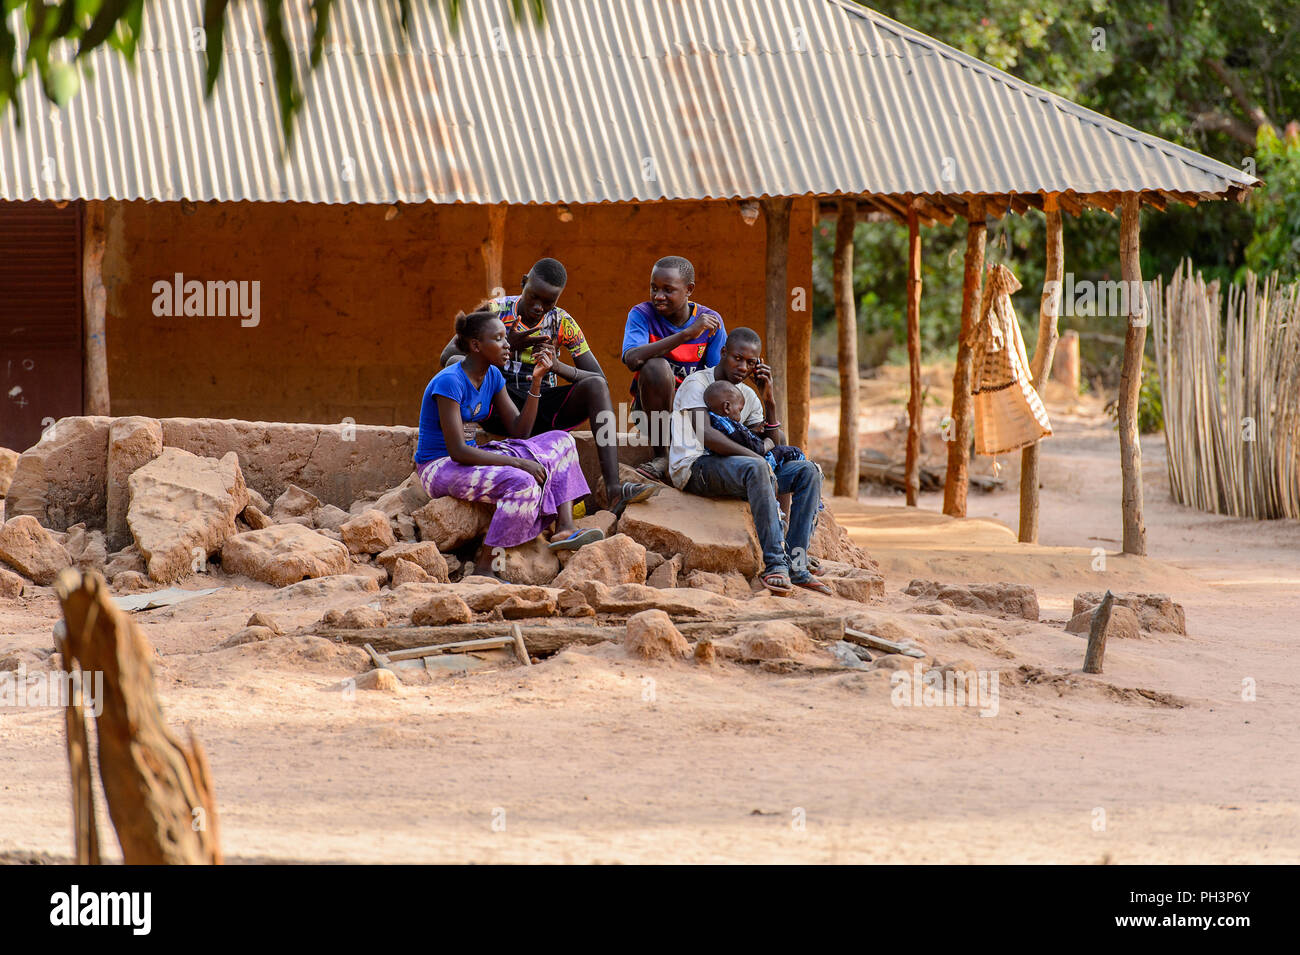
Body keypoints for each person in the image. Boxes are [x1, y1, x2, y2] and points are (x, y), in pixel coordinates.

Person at [440, 257, 658, 516]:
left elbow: (598, 378)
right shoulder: (494, 311)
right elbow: (448, 357)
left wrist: (557, 366)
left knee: (596, 387)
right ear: (524, 282)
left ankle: (613, 489)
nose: (538, 307)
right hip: (497, 404)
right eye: (534, 296)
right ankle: (460, 453)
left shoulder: (562, 322)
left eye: (548, 302)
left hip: (539, 407)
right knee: (456, 365)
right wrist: (506, 344)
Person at [416, 309, 603, 574]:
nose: (507, 345)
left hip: (471, 459)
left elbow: (520, 431)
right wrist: (518, 463)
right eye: (499, 339)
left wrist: (536, 382)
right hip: (440, 467)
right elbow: (457, 451)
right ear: (476, 346)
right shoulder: (450, 381)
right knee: (523, 483)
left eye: (505, 338)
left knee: (563, 440)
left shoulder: (492, 376)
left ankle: (564, 527)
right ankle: (485, 567)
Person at [668, 327, 830, 596]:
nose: (743, 367)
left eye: (751, 362)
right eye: (737, 358)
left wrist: (770, 401)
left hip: (740, 471)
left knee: (808, 471)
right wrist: (757, 459)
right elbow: (706, 435)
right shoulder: (697, 384)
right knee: (757, 466)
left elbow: (773, 444)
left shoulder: (748, 395)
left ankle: (797, 564)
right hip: (695, 467)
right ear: (723, 353)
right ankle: (775, 564)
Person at [621, 255, 727, 483]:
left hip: (694, 412)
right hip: (650, 414)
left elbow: (718, 378)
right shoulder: (642, 314)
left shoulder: (710, 321)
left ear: (689, 289)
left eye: (668, 290)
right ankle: (662, 456)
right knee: (655, 367)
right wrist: (686, 335)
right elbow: (632, 359)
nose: (658, 296)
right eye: (654, 288)